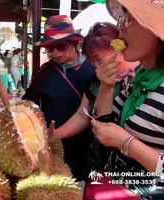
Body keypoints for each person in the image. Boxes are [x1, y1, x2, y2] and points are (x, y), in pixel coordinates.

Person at [85, 0, 164, 199]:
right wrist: (106, 86)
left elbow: (120, 139)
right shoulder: (138, 79)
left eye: (130, 18)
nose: (120, 26)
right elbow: (105, 123)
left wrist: (128, 143)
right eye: (122, 17)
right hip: (119, 189)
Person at [54, 22, 140, 174]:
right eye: (91, 60)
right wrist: (57, 134)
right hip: (99, 160)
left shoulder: (142, 79)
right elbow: (82, 115)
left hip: (133, 167)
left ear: (120, 49)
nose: (94, 65)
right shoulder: (95, 81)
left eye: (98, 59)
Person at [22, 15, 95, 182]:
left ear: (74, 43)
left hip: (87, 146)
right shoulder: (46, 71)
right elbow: (27, 104)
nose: (55, 52)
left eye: (60, 46)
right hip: (54, 147)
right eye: (50, 47)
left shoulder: (93, 68)